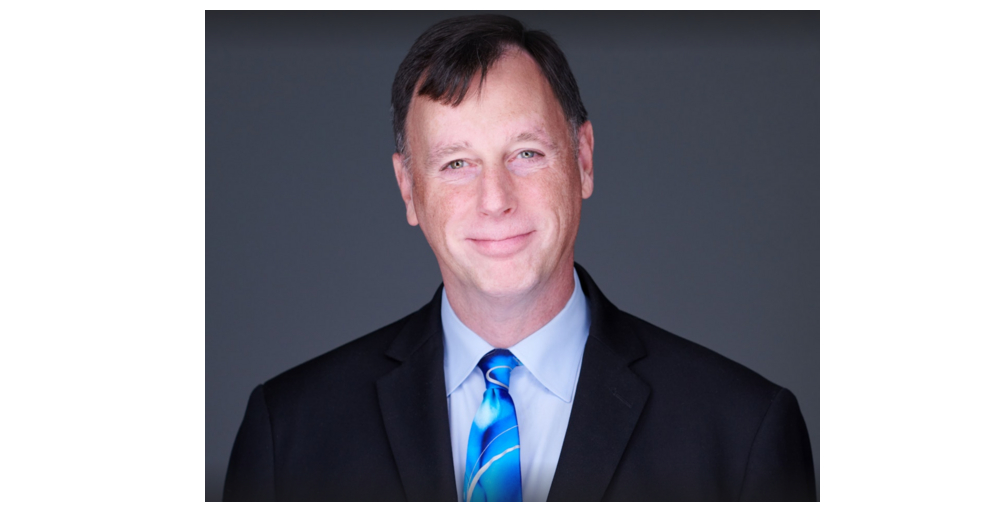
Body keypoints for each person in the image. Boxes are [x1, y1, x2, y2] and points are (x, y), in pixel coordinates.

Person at [223, 14, 817, 502]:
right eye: (457, 163)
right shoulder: (289, 433)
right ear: (408, 189)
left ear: (583, 159)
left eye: (527, 153)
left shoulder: (743, 434)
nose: (495, 199)